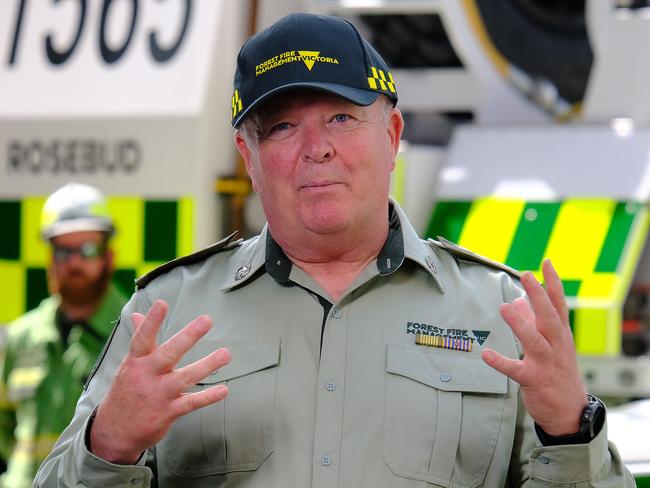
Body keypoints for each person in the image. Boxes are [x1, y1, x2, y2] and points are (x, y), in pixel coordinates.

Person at [34, 13, 634, 487]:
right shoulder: (166, 315)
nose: (315, 148)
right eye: (283, 127)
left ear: (393, 136)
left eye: (342, 117)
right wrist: (108, 447)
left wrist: (567, 434)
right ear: (248, 158)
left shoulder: (501, 314)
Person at [0, 183, 127, 487]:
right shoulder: (20, 337)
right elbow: (4, 429)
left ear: (108, 257)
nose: (74, 262)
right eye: (62, 251)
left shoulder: (133, 331)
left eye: (87, 249)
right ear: (50, 258)